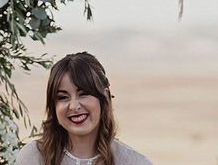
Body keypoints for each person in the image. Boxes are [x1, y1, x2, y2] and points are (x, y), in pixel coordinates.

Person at [16, 51, 153, 165]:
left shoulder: (134, 162)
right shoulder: (33, 157)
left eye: (84, 94)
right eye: (63, 97)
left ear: (104, 97)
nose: (74, 106)